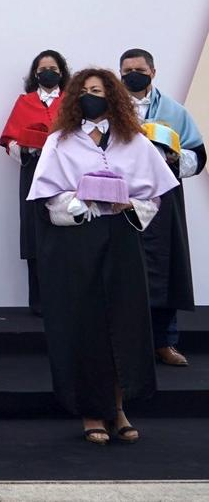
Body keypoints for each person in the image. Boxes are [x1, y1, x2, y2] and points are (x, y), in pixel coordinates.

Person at [27, 68, 177, 445]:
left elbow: (154, 196)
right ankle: (92, 412)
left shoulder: (134, 141)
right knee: (86, 325)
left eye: (99, 90)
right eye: (85, 91)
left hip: (122, 237)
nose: (92, 96)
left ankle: (119, 407)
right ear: (75, 99)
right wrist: (83, 200)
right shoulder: (60, 141)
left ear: (113, 96)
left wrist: (129, 202)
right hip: (78, 241)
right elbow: (50, 198)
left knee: (124, 323)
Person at [119, 48, 205, 367]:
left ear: (153, 72)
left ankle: (165, 342)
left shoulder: (174, 111)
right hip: (122, 198)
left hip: (164, 199)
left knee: (165, 269)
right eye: (126, 70)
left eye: (138, 69)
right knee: (124, 270)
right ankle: (127, 344)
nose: (132, 75)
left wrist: (172, 159)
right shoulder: (110, 111)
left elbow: (197, 155)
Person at [0, 50, 68, 315]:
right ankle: (38, 301)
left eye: (53, 68)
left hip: (66, 175)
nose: (47, 72)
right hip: (33, 173)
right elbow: (9, 141)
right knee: (34, 232)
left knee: (66, 230)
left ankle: (66, 298)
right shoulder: (24, 102)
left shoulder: (71, 101)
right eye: (42, 68)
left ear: (61, 72)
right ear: (35, 73)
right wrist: (26, 149)